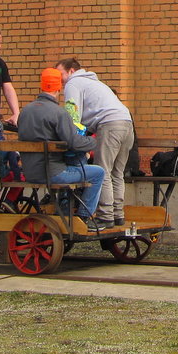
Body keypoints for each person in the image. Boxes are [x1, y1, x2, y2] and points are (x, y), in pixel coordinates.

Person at [16, 67, 106, 227]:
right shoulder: (59, 113)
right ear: (59, 88)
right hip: (54, 173)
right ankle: (84, 218)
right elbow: (74, 142)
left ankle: (65, 208)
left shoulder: (25, 111)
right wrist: (96, 142)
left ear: (41, 86)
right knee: (98, 173)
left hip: (30, 172)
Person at [55, 57, 134, 228]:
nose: (58, 78)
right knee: (117, 172)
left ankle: (105, 216)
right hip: (127, 123)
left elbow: (73, 117)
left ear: (71, 71)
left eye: (60, 73)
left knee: (102, 170)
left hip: (110, 125)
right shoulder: (93, 82)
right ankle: (118, 214)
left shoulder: (73, 84)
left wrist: (72, 141)